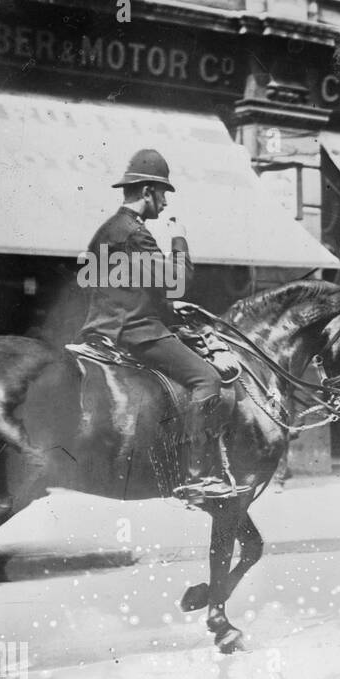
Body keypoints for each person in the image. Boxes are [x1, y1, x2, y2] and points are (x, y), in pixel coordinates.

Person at [79, 148, 240, 500]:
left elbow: (120, 285)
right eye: (164, 193)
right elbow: (179, 280)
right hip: (135, 331)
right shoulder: (135, 233)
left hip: (106, 326)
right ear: (148, 191)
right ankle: (199, 476)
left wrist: (169, 310)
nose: (166, 203)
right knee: (206, 378)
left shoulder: (108, 229)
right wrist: (179, 238)